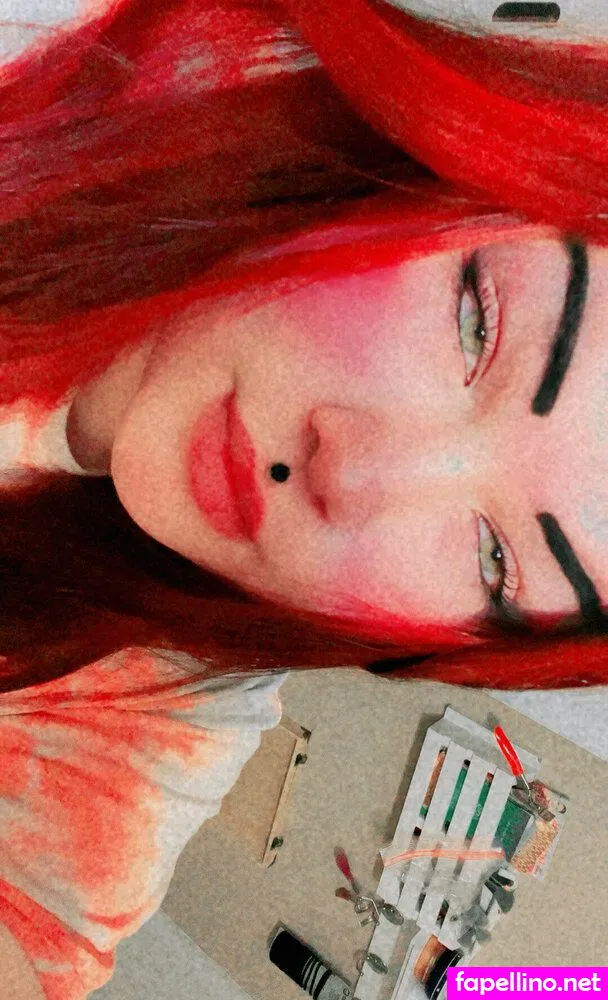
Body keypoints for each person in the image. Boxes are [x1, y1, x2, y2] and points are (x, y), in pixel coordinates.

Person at [0, 0, 607, 996]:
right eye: (475, 322)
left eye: (495, 562)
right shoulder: (67, 42)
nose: (354, 477)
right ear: (437, 160)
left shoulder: (166, 699)